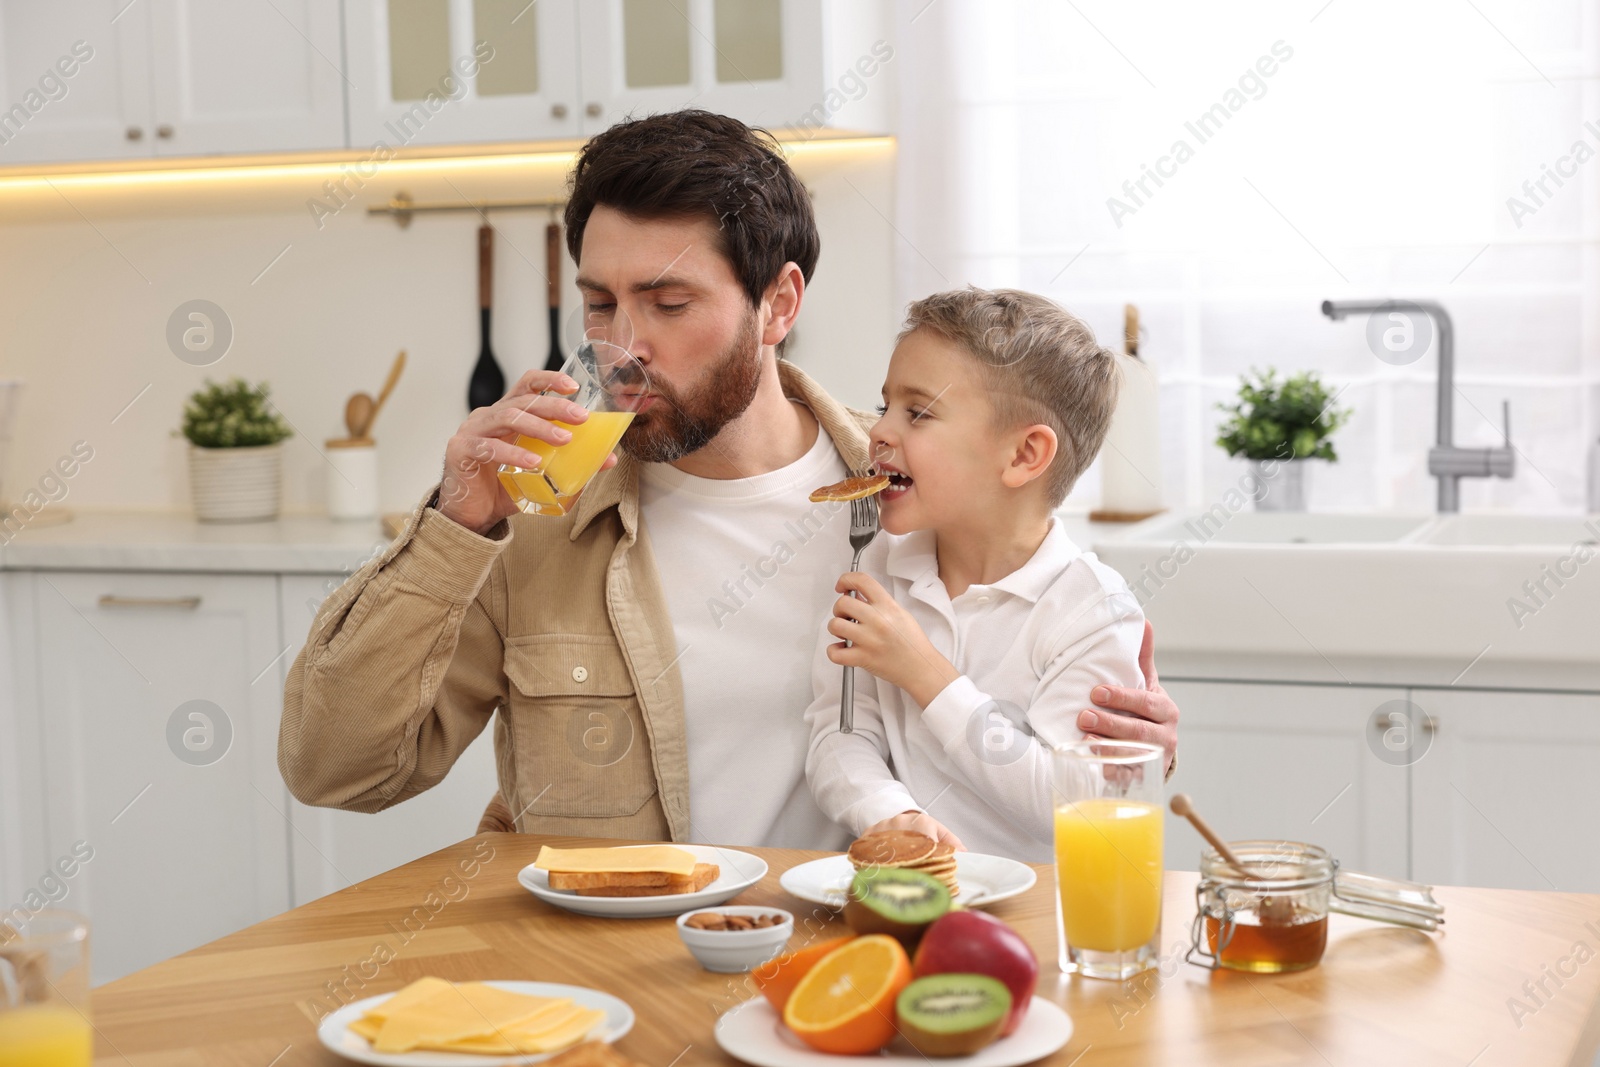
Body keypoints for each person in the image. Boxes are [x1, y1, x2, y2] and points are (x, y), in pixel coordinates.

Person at [278, 109, 1180, 849]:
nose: (623, 345)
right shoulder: (533, 519)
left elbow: (1033, 679)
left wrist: (1110, 757)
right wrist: (457, 523)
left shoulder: (910, 497)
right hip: (617, 986)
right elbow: (336, 768)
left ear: (779, 303)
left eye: (670, 305)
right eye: (599, 303)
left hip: (847, 978)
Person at [804, 289, 1143, 862]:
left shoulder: (1091, 610)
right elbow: (838, 733)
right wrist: (890, 814)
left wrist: (926, 673)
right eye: (884, 405)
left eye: (918, 412)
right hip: (905, 900)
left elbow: (1073, 808)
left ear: (1023, 456)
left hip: (1034, 925)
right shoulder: (876, 567)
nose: (879, 432)